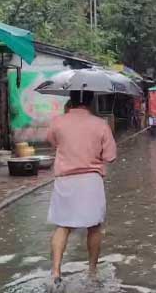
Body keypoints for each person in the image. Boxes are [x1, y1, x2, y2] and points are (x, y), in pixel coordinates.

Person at [46, 90, 117, 292]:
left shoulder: (58, 121)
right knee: (94, 227)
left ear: (71, 99)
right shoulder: (100, 124)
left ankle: (56, 273)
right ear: (90, 101)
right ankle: (92, 272)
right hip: (91, 181)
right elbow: (110, 156)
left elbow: (52, 141)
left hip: (65, 181)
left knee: (63, 226)